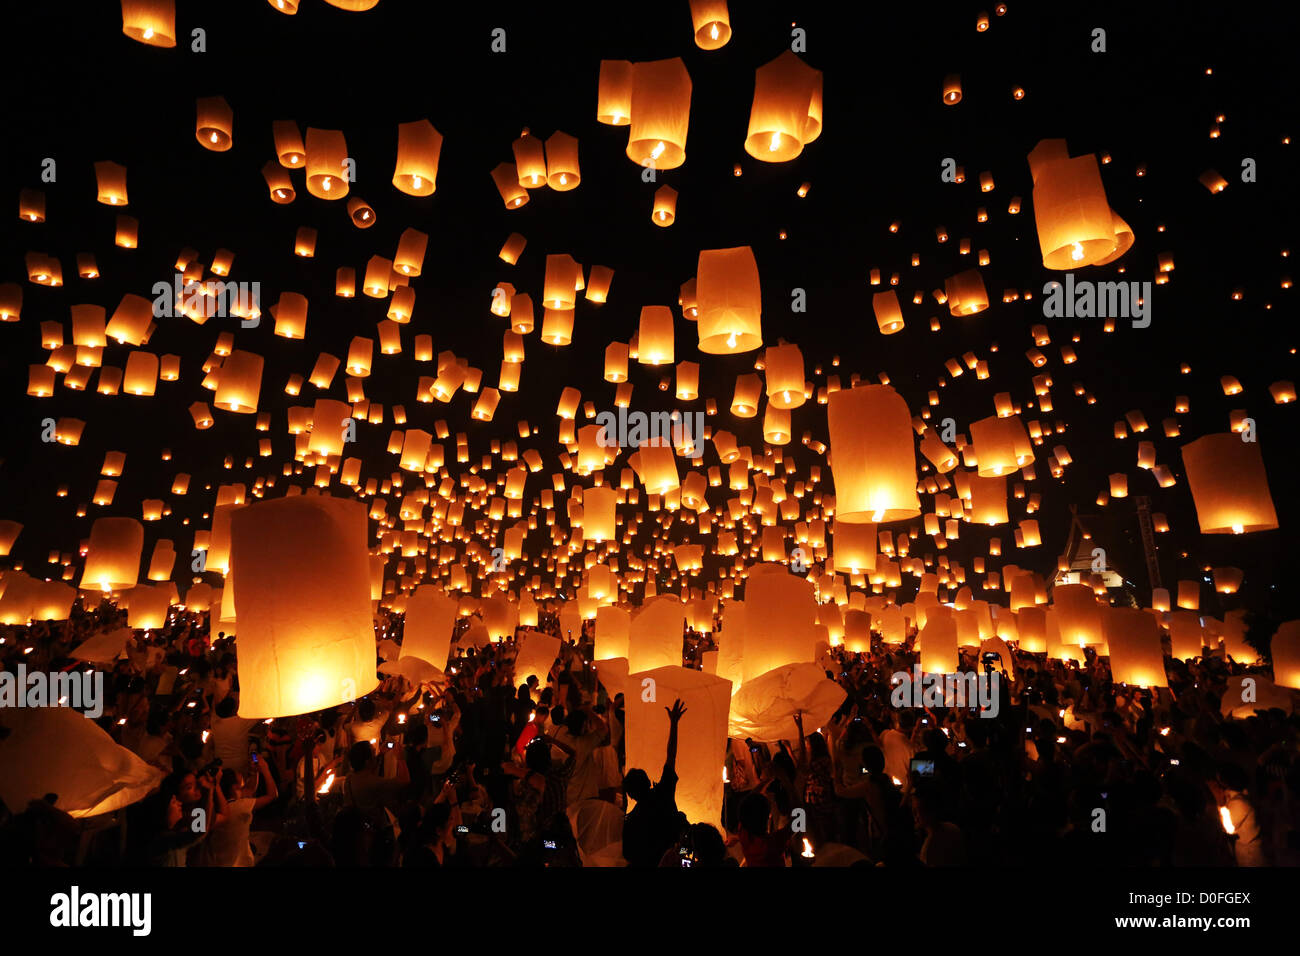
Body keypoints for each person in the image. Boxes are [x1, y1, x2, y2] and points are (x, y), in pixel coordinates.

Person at [622, 699, 688, 867]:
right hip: (676, 857)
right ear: (648, 781)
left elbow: (629, 855)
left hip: (650, 864)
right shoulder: (663, 792)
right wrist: (674, 724)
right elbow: (671, 755)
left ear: (630, 795)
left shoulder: (632, 821)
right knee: (685, 847)